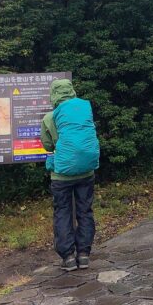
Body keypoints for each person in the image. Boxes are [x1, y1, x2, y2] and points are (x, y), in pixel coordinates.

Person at [40, 78, 100, 271]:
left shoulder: (50, 118)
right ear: (72, 91)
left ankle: (68, 258)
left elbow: (47, 145)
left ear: (54, 95)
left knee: (63, 212)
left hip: (61, 176)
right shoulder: (82, 111)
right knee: (85, 211)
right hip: (86, 172)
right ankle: (84, 255)